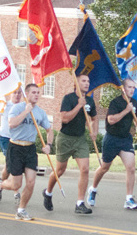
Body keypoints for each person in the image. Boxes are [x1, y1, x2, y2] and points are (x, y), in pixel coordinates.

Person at [0, 84, 53, 220]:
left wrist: (48, 145)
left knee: (31, 182)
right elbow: (11, 123)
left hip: (30, 148)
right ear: (27, 94)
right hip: (15, 147)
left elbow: (49, 130)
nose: (36, 95)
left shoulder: (40, 112)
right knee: (15, 184)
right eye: (33, 92)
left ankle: (21, 210)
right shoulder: (17, 108)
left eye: (38, 92)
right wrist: (26, 111)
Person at [43, 74, 97, 214]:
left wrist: (94, 131)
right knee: (60, 170)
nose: (87, 83)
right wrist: (79, 105)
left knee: (85, 169)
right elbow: (65, 119)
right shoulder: (69, 98)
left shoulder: (90, 101)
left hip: (80, 139)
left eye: (88, 81)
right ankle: (48, 192)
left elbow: (94, 118)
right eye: (83, 81)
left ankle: (80, 203)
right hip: (65, 138)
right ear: (76, 83)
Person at [87, 79, 137, 210]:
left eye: (133, 88)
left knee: (131, 168)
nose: (132, 90)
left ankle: (129, 198)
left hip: (125, 139)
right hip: (111, 138)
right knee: (104, 167)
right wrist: (126, 110)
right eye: (129, 87)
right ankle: (93, 189)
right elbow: (111, 120)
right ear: (123, 89)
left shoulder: (134, 103)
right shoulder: (116, 102)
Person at [0, 89, 22, 204]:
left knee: (9, 166)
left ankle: (0, 185)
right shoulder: (4, 104)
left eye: (19, 93)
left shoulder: (23, 106)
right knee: (12, 164)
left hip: (19, 139)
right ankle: (15, 192)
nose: (17, 95)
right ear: (10, 94)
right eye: (15, 92)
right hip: (6, 138)